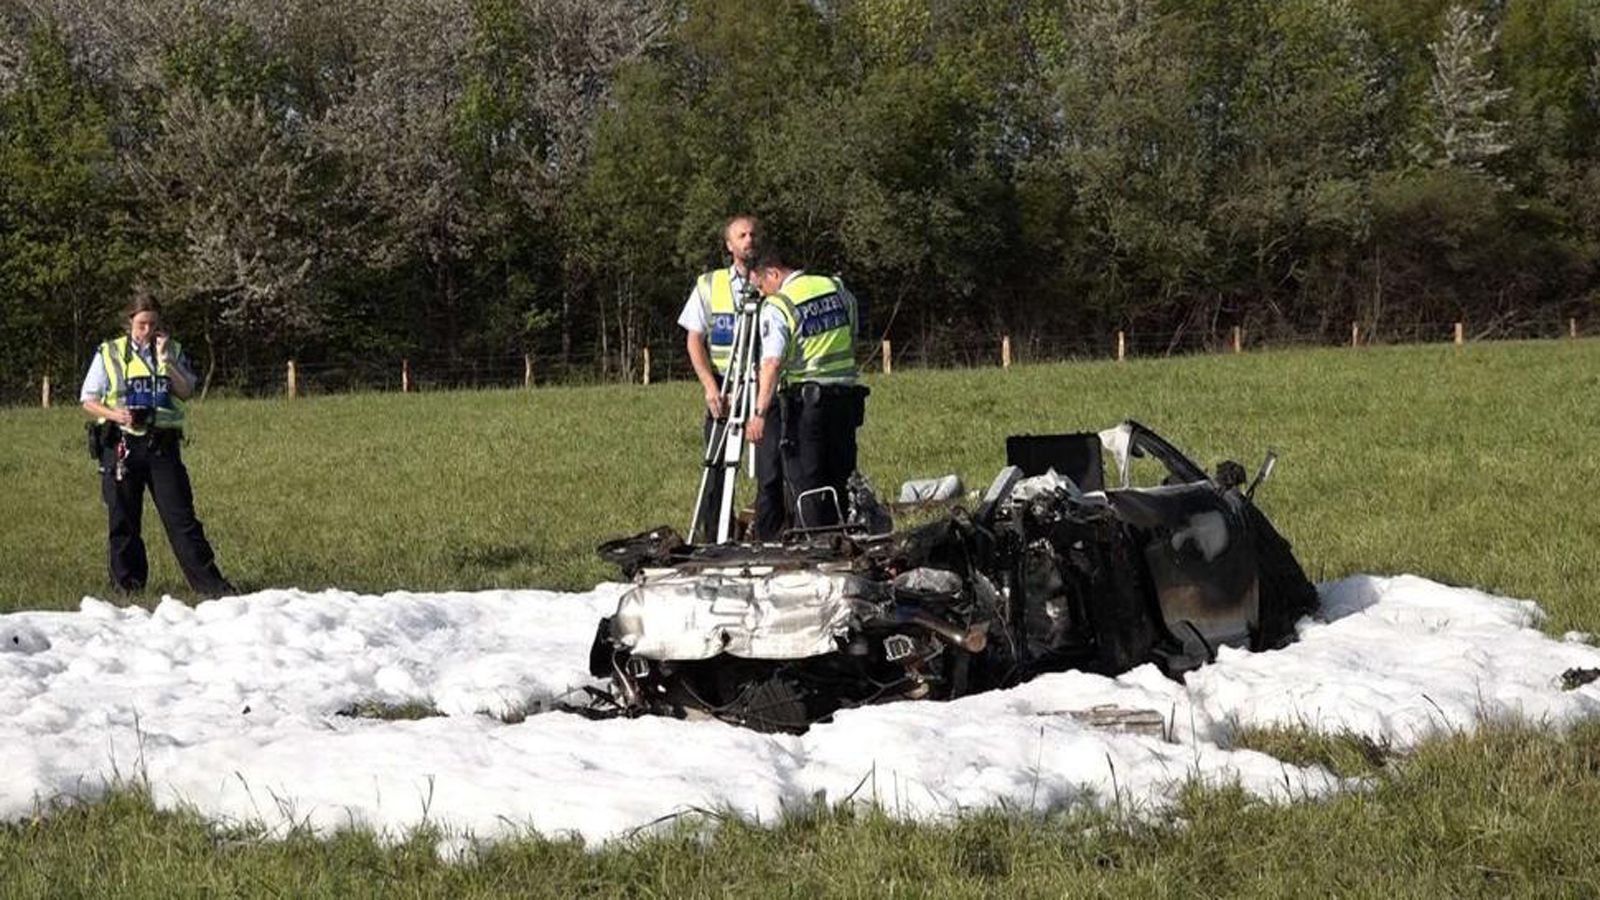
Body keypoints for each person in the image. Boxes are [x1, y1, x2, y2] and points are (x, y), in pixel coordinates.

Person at [80, 290, 233, 597]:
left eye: (153, 324)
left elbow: (186, 391)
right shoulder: (109, 352)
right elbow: (88, 399)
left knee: (181, 518)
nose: (147, 331)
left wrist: (167, 361)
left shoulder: (172, 350)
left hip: (162, 445)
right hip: (122, 444)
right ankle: (128, 588)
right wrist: (116, 415)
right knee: (123, 519)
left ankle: (212, 588)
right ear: (130, 322)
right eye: (141, 325)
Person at [745, 244, 867, 535]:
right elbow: (853, 332)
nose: (762, 293)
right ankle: (842, 540)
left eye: (761, 285)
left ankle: (812, 546)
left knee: (807, 483)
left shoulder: (779, 305)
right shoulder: (835, 287)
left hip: (807, 405)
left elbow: (772, 362)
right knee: (840, 479)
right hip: (845, 399)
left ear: (773, 274)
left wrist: (759, 413)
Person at [678, 214, 762, 540]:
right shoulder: (710, 284)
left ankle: (770, 530)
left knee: (772, 464)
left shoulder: (773, 281)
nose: (749, 240)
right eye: (741, 235)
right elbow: (694, 339)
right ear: (729, 245)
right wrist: (710, 387)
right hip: (725, 384)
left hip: (764, 385)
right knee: (716, 466)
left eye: (753, 234)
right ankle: (716, 534)